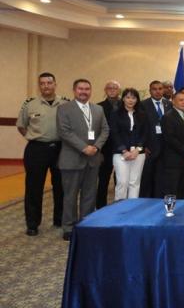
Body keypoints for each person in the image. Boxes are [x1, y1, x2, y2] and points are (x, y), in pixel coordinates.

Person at [57, 79, 109, 240]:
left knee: (89, 194)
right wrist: (83, 147)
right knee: (70, 195)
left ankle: (86, 223)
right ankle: (69, 227)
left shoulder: (98, 109)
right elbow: (64, 132)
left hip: (93, 159)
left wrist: (97, 147)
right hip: (72, 159)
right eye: (80, 89)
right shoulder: (64, 109)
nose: (84, 92)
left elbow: (105, 130)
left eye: (87, 89)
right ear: (74, 90)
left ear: (91, 91)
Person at [16, 72, 67, 236]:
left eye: (49, 83)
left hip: (61, 148)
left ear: (55, 84)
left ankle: (59, 219)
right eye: (43, 83)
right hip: (36, 149)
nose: (46, 86)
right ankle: (32, 224)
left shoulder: (65, 103)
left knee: (61, 186)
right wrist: (34, 138)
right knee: (33, 187)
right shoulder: (30, 104)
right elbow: (21, 126)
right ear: (39, 86)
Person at [109, 88, 149, 200]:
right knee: (122, 182)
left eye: (133, 97)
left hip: (138, 154)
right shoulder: (115, 114)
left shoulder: (142, 114)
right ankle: (119, 210)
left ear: (137, 100)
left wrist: (138, 149)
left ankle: (132, 209)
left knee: (134, 183)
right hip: (121, 153)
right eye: (128, 97)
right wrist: (124, 150)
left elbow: (145, 133)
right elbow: (114, 133)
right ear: (123, 99)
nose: (130, 100)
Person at [160, 91, 184, 199]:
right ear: (173, 101)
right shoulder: (167, 117)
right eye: (180, 100)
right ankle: (171, 212)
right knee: (173, 190)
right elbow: (170, 139)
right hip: (174, 161)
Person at [140, 80, 171, 197]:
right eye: (154, 89)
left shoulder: (169, 104)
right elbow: (140, 127)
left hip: (166, 147)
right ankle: (147, 201)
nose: (157, 91)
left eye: (160, 89)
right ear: (150, 91)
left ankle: (160, 199)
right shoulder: (143, 105)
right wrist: (144, 146)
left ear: (163, 90)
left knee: (162, 177)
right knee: (147, 177)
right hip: (150, 147)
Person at [96, 80, 121, 209]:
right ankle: (100, 207)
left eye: (115, 88)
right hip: (105, 149)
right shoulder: (98, 107)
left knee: (121, 180)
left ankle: (120, 206)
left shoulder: (126, 104)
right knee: (103, 180)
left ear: (119, 91)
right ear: (105, 91)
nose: (112, 90)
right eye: (109, 88)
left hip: (122, 149)